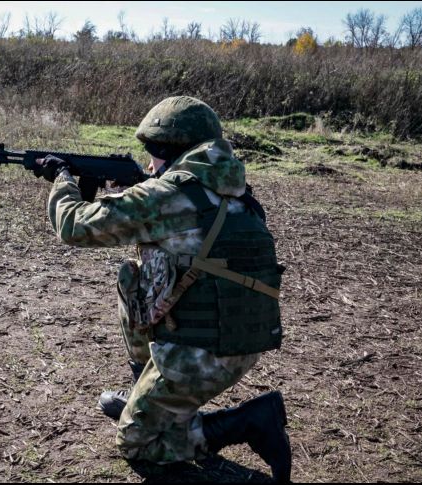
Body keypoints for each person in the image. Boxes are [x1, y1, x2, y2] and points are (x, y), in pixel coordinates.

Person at [35, 96, 291, 482]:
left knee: (138, 445)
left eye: (153, 152)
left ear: (169, 150)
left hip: (202, 351)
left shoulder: (170, 194)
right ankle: (149, 395)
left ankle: (248, 423)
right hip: (237, 337)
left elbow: (75, 226)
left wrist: (62, 178)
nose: (150, 163)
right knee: (137, 275)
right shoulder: (233, 190)